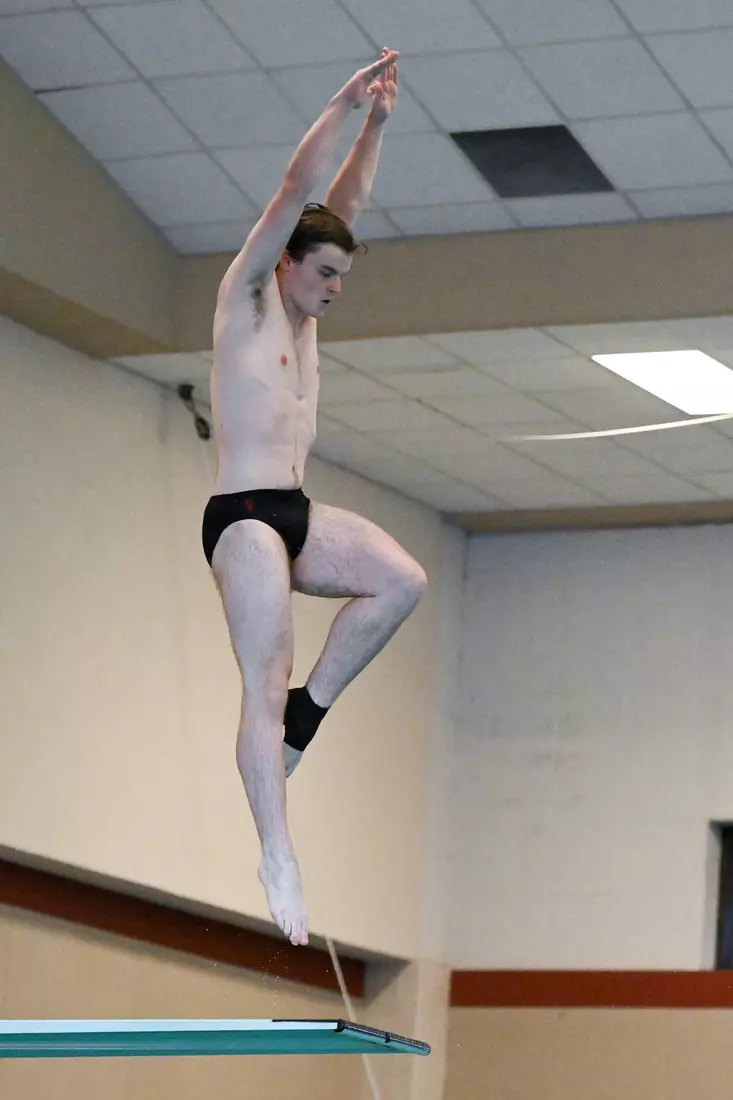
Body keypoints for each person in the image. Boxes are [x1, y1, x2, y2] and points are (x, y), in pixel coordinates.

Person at [202, 49, 427, 947]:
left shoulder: (304, 311)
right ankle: (276, 853)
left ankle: (309, 714)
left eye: (341, 277)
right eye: (325, 274)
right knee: (259, 676)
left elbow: (346, 202)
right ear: (285, 261)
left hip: (296, 510)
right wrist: (340, 103)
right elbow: (299, 187)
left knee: (399, 579)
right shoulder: (246, 298)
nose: (334, 290)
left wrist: (377, 125)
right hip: (245, 519)